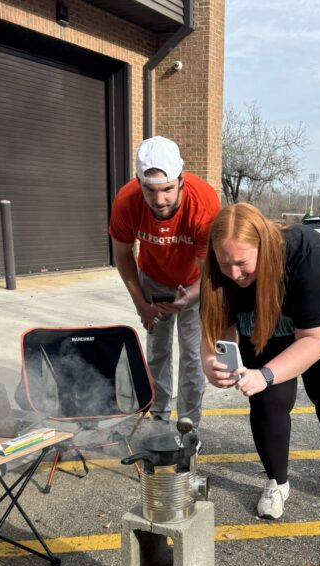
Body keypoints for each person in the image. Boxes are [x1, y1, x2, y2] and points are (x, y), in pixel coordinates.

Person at [200, 203, 320, 520]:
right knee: (267, 398)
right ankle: (277, 482)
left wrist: (267, 373)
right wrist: (210, 362)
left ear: (263, 245)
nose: (234, 274)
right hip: (265, 318)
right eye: (225, 263)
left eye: (242, 263)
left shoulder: (306, 250)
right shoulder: (218, 270)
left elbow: (315, 339)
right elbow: (216, 328)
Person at [109, 136, 220, 427]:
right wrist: (142, 305)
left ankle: (188, 421)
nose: (159, 200)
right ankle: (159, 416)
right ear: (139, 183)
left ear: (181, 180)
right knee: (157, 352)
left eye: (168, 189)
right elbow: (122, 254)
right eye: (150, 190)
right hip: (153, 279)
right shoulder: (126, 201)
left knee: (193, 355)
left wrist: (191, 297)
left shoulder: (204, 202)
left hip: (194, 281)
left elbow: (209, 271)